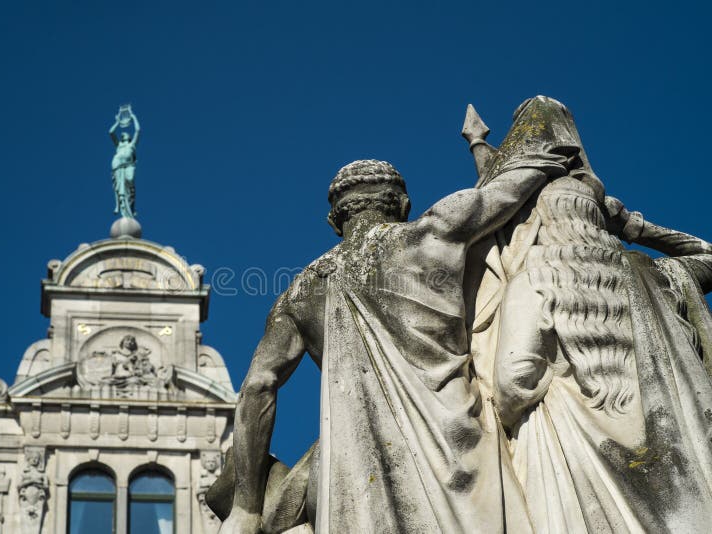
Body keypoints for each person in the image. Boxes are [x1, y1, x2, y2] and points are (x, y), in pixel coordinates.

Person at [220, 97, 578, 534]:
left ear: (334, 221)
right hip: (455, 451)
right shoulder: (432, 232)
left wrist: (245, 507)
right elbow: (512, 185)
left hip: (354, 472)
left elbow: (258, 386)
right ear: (403, 205)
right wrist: (543, 149)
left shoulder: (299, 292)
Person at [492, 172, 712, 532]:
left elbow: (513, 380)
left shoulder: (535, 279)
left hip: (572, 455)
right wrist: (632, 226)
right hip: (677, 461)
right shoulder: (659, 276)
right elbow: (707, 254)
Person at [109, 111, 140, 218]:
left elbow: (138, 130)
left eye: (125, 134)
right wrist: (117, 122)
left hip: (129, 165)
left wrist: (133, 117)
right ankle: (122, 207)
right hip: (117, 165)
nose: (123, 134)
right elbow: (111, 132)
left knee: (130, 180)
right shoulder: (119, 145)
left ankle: (131, 206)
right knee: (120, 187)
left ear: (129, 137)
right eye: (122, 135)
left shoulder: (132, 144)